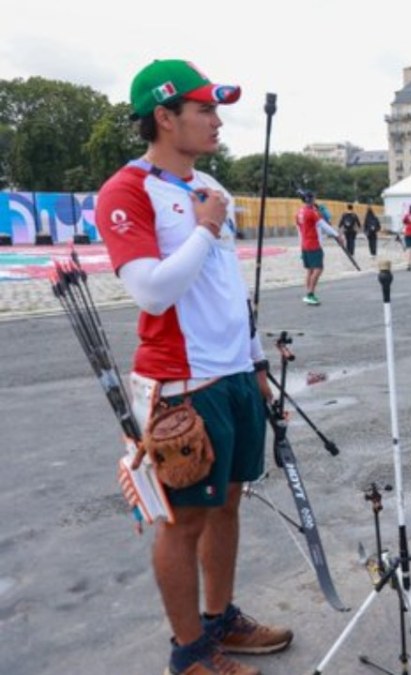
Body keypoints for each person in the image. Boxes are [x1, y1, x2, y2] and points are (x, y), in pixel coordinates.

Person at [95, 58, 292, 675]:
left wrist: (256, 360)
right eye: (204, 109)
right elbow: (152, 292)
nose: (217, 120)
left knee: (228, 503)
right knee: (182, 522)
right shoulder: (126, 190)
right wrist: (204, 230)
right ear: (164, 116)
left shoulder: (210, 187)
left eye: (216, 108)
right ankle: (189, 656)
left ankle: (221, 619)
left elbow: (227, 288)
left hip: (232, 374)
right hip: (181, 383)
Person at [295, 192, 344, 305]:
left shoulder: (299, 213)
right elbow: (324, 225)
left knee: (310, 270)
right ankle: (310, 294)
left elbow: (299, 230)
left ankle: (308, 292)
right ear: (311, 200)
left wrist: (301, 245)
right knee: (318, 269)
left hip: (305, 244)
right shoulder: (312, 213)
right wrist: (337, 236)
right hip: (314, 244)